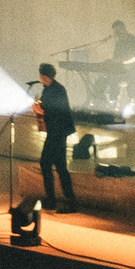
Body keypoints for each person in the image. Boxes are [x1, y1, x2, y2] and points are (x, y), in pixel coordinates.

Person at [33, 63, 78, 212]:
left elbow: (54, 109)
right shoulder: (52, 89)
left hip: (57, 132)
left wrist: (40, 109)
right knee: (60, 167)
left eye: (41, 74)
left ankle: (52, 199)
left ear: (44, 76)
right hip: (57, 131)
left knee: (45, 163)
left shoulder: (56, 90)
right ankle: (68, 201)